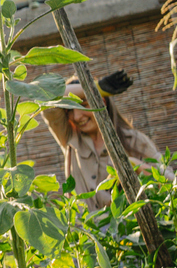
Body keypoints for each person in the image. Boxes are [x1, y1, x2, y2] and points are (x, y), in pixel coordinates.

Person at [41, 70, 161, 206]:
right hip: (84, 227)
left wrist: (133, 165)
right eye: (70, 110)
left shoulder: (133, 140)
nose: (76, 117)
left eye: (83, 105)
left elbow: (169, 182)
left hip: (127, 226)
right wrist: (96, 88)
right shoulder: (70, 138)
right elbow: (47, 98)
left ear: (102, 102)